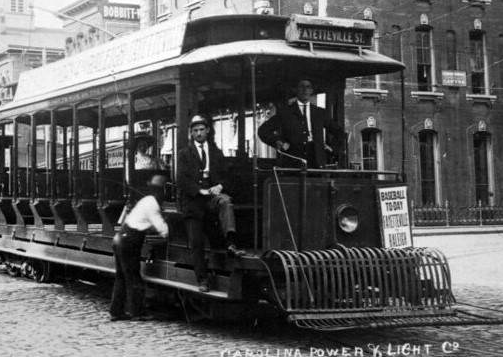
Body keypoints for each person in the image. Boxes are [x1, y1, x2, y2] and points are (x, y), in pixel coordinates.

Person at [177, 115, 245, 293]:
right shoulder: (184, 154)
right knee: (196, 242)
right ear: (191, 133)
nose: (199, 133)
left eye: (201, 130)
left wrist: (220, 186)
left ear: (207, 131)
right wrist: (200, 190)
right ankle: (202, 280)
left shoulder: (216, 152)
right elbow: (181, 179)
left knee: (226, 201)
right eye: (195, 130)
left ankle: (231, 242)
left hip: (212, 199)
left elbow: (226, 175)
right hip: (194, 203)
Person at [109, 172, 169, 321]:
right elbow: (162, 228)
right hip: (129, 242)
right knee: (134, 277)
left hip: (120, 238)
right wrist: (170, 231)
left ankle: (116, 312)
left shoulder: (146, 199)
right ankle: (138, 313)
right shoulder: (153, 205)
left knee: (121, 277)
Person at [257, 78, 344, 169]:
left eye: (308, 87)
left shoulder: (319, 112)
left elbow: (339, 132)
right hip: (292, 160)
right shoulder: (286, 112)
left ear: (311, 91)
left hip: (317, 162)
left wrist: (332, 148)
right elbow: (263, 131)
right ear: (296, 90)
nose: (305, 90)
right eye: (301, 87)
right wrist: (281, 143)